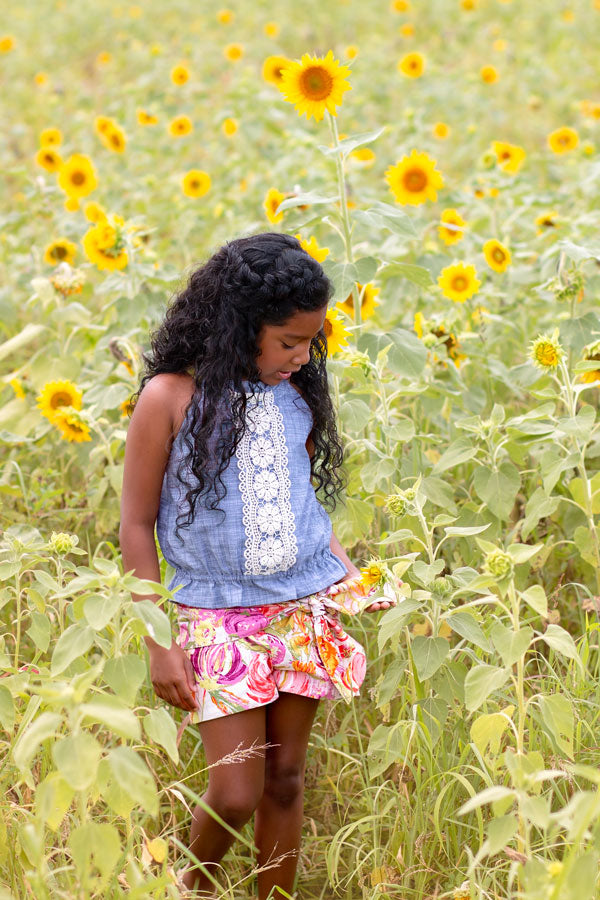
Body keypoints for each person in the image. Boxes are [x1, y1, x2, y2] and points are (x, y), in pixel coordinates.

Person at [119, 232, 395, 898]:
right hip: (213, 613)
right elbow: (134, 524)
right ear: (240, 327)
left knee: (286, 779)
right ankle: (196, 886)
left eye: (311, 343)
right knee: (236, 789)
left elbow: (294, 501)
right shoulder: (169, 397)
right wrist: (159, 641)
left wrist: (345, 574)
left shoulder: (294, 395)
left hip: (300, 607)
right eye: (288, 343)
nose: (302, 359)